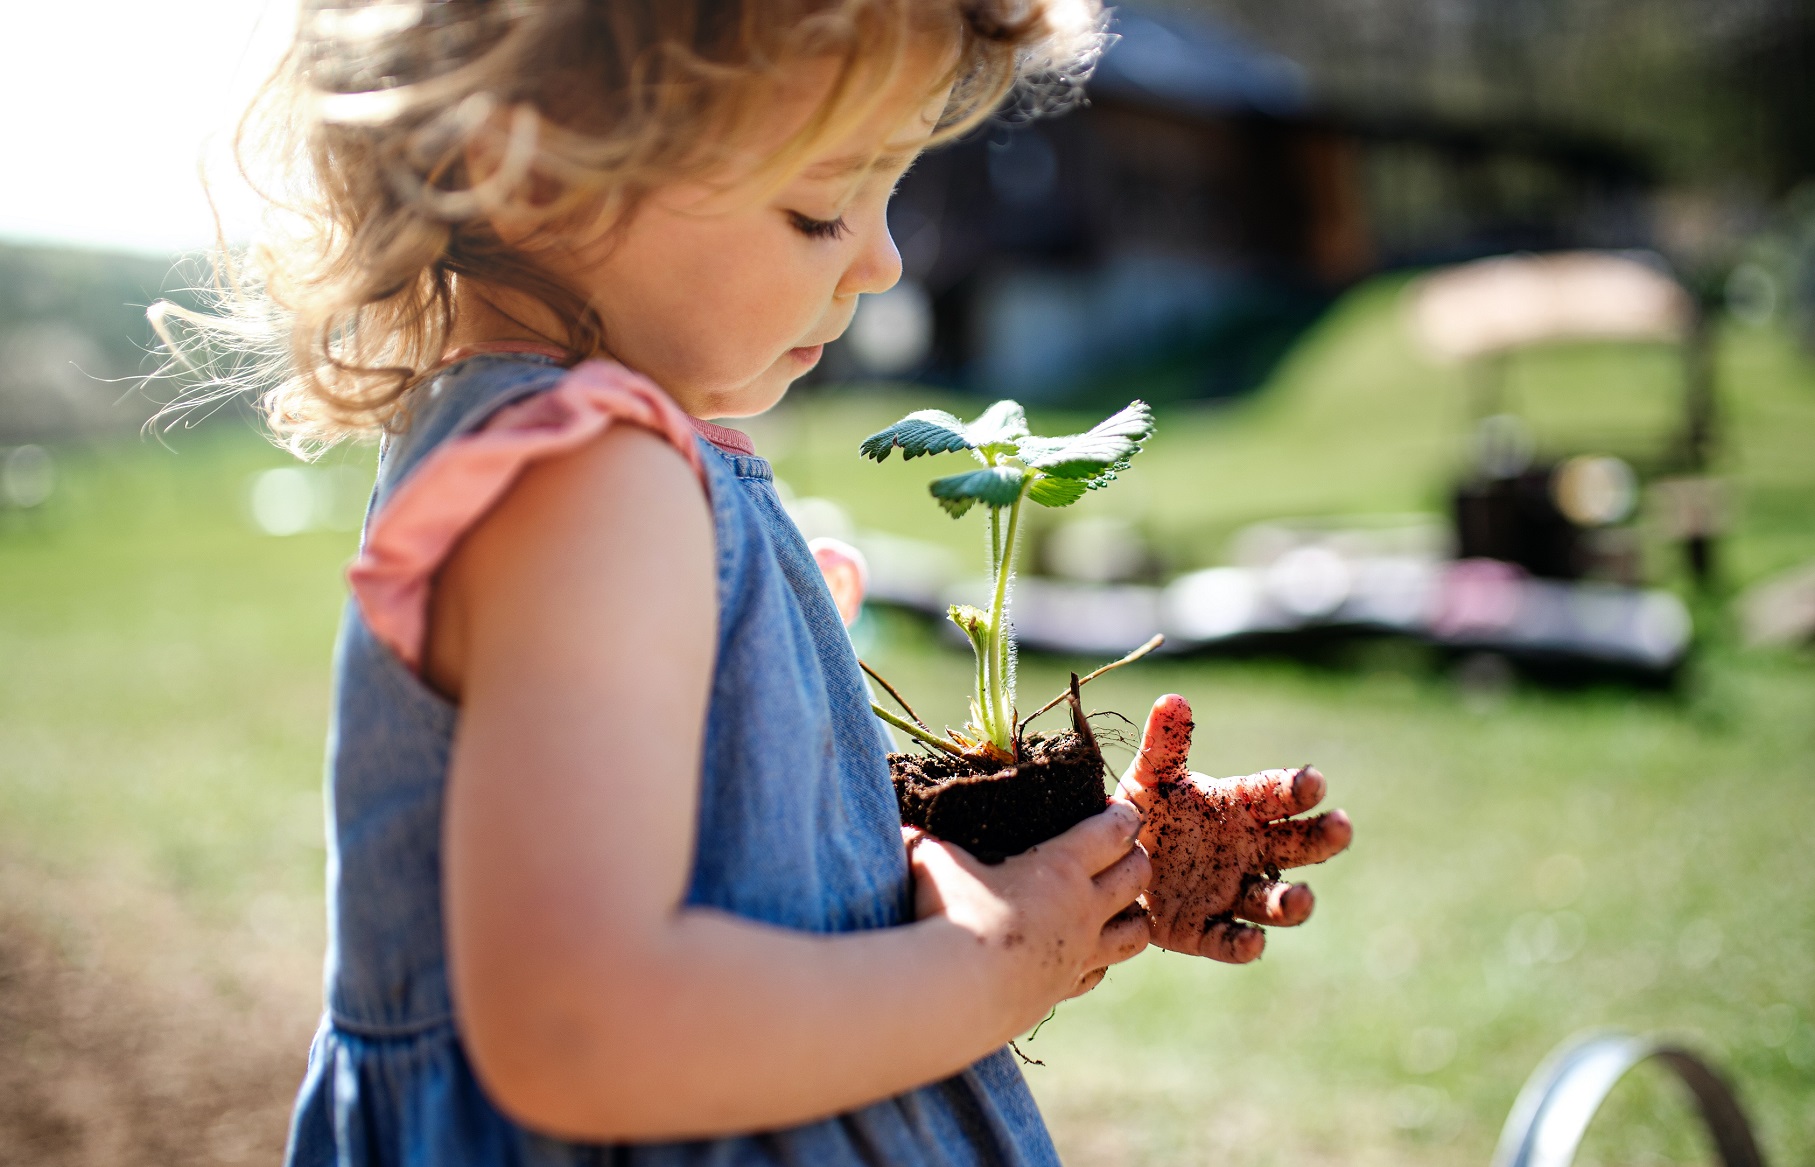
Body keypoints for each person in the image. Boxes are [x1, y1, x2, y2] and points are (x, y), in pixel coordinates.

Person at [168, 2, 1351, 1163]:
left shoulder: (583, 463)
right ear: (535, 165)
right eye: (822, 205)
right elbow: (583, 1029)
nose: (884, 260)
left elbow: (753, 889)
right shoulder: (587, 484)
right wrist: (987, 967)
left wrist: (1078, 876)